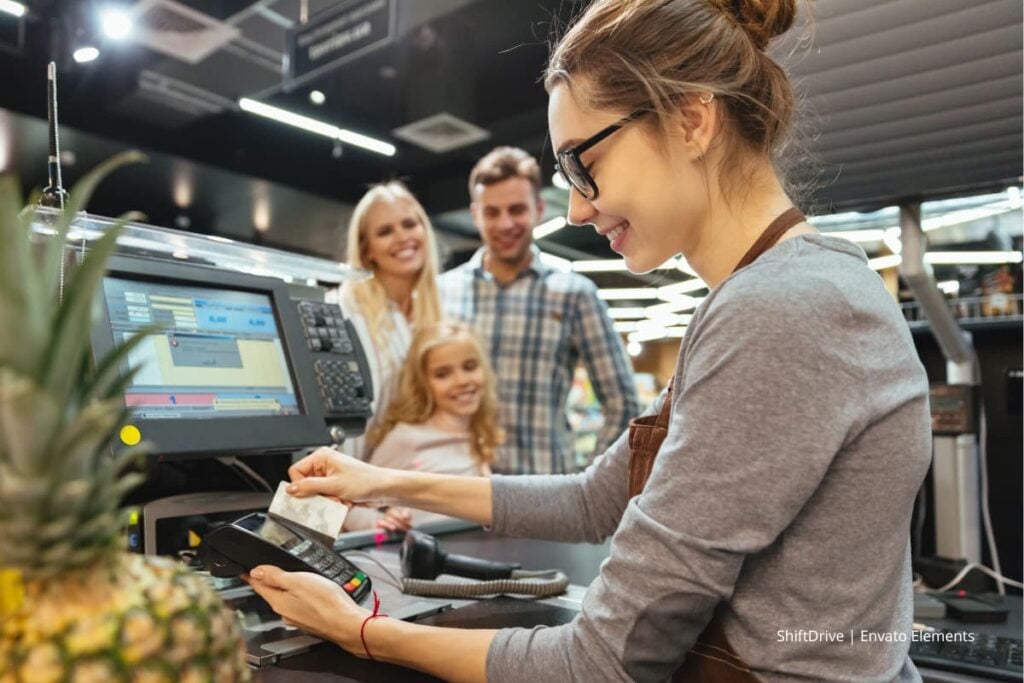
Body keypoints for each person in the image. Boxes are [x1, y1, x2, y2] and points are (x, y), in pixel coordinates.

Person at [246, 0, 931, 680]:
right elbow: (592, 499)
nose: (575, 205)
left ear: (691, 119)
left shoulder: (779, 312)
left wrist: (361, 630)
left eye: (583, 161)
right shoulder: (776, 292)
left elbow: (600, 662)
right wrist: (380, 477)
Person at [437, 145, 640, 475]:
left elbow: (623, 404)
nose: (505, 223)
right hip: (457, 493)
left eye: (517, 209)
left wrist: (592, 486)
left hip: (544, 500)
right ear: (475, 215)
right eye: (492, 212)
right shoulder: (441, 293)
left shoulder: (575, 294)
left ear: (539, 209)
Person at [342, 321, 503, 532]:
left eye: (469, 367)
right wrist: (381, 523)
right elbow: (350, 505)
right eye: (442, 374)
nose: (462, 380)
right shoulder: (407, 439)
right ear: (423, 383)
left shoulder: (478, 432)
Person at [329, 181, 443, 461]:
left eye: (409, 224)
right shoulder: (342, 310)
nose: (402, 237)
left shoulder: (436, 314)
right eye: (385, 231)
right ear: (367, 249)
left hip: (401, 483)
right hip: (347, 483)